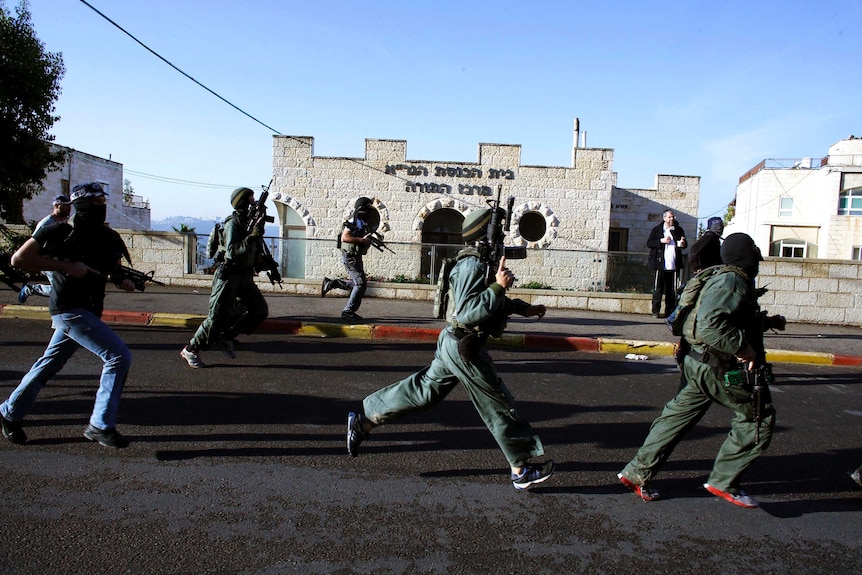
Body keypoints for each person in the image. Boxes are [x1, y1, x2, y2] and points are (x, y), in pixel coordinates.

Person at [345, 207, 555, 490]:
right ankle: (521, 469)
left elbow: (480, 301)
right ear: (483, 236)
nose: (502, 236)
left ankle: (365, 420)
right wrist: (498, 287)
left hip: (452, 343)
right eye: (497, 231)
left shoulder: (478, 262)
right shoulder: (472, 266)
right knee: (498, 404)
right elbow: (469, 312)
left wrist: (522, 308)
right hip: (464, 345)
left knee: (425, 392)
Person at [618, 233, 783, 508]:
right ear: (746, 257)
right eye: (755, 254)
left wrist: (766, 322)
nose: (757, 260)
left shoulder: (716, 276)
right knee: (758, 416)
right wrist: (745, 349)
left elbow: (730, 317)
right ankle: (724, 480)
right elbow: (710, 324)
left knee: (676, 417)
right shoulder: (732, 281)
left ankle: (636, 473)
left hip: (696, 364)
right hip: (718, 367)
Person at [0, 182, 135, 448]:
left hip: (88, 311)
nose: (102, 206)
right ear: (81, 204)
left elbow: (113, 270)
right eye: (96, 202)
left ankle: (9, 412)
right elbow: (19, 258)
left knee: (47, 365)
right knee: (118, 356)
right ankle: (100, 425)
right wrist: (66, 266)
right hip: (69, 309)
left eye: (103, 201)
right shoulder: (61, 231)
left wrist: (123, 281)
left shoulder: (105, 237)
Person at [181, 187, 269, 368]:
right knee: (215, 318)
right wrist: (252, 237)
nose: (254, 201)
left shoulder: (249, 222)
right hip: (229, 276)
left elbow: (254, 249)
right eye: (251, 198)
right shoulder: (233, 223)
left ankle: (227, 337)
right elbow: (232, 251)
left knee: (259, 310)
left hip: (244, 276)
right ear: (243, 202)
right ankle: (191, 349)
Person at [320, 197, 374, 320]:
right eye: (368, 206)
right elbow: (345, 238)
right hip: (350, 256)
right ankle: (348, 312)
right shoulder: (353, 221)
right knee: (360, 284)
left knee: (360, 284)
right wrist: (362, 240)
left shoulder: (361, 221)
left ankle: (331, 284)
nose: (370, 209)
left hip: (355, 256)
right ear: (362, 207)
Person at [17, 194, 73, 303]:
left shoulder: (67, 222)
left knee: (67, 286)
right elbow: (33, 242)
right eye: (65, 205)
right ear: (57, 206)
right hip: (46, 259)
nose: (69, 208)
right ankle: (31, 289)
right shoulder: (46, 223)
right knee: (60, 288)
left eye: (70, 205)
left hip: (60, 259)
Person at [647, 209, 686, 318]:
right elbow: (649, 243)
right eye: (669, 217)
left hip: (673, 265)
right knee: (658, 288)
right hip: (660, 265)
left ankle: (669, 311)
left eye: (672, 217)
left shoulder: (678, 230)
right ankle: (655, 310)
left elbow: (684, 243)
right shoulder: (657, 230)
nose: (671, 219)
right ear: (664, 218)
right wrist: (661, 241)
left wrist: (682, 243)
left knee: (671, 291)